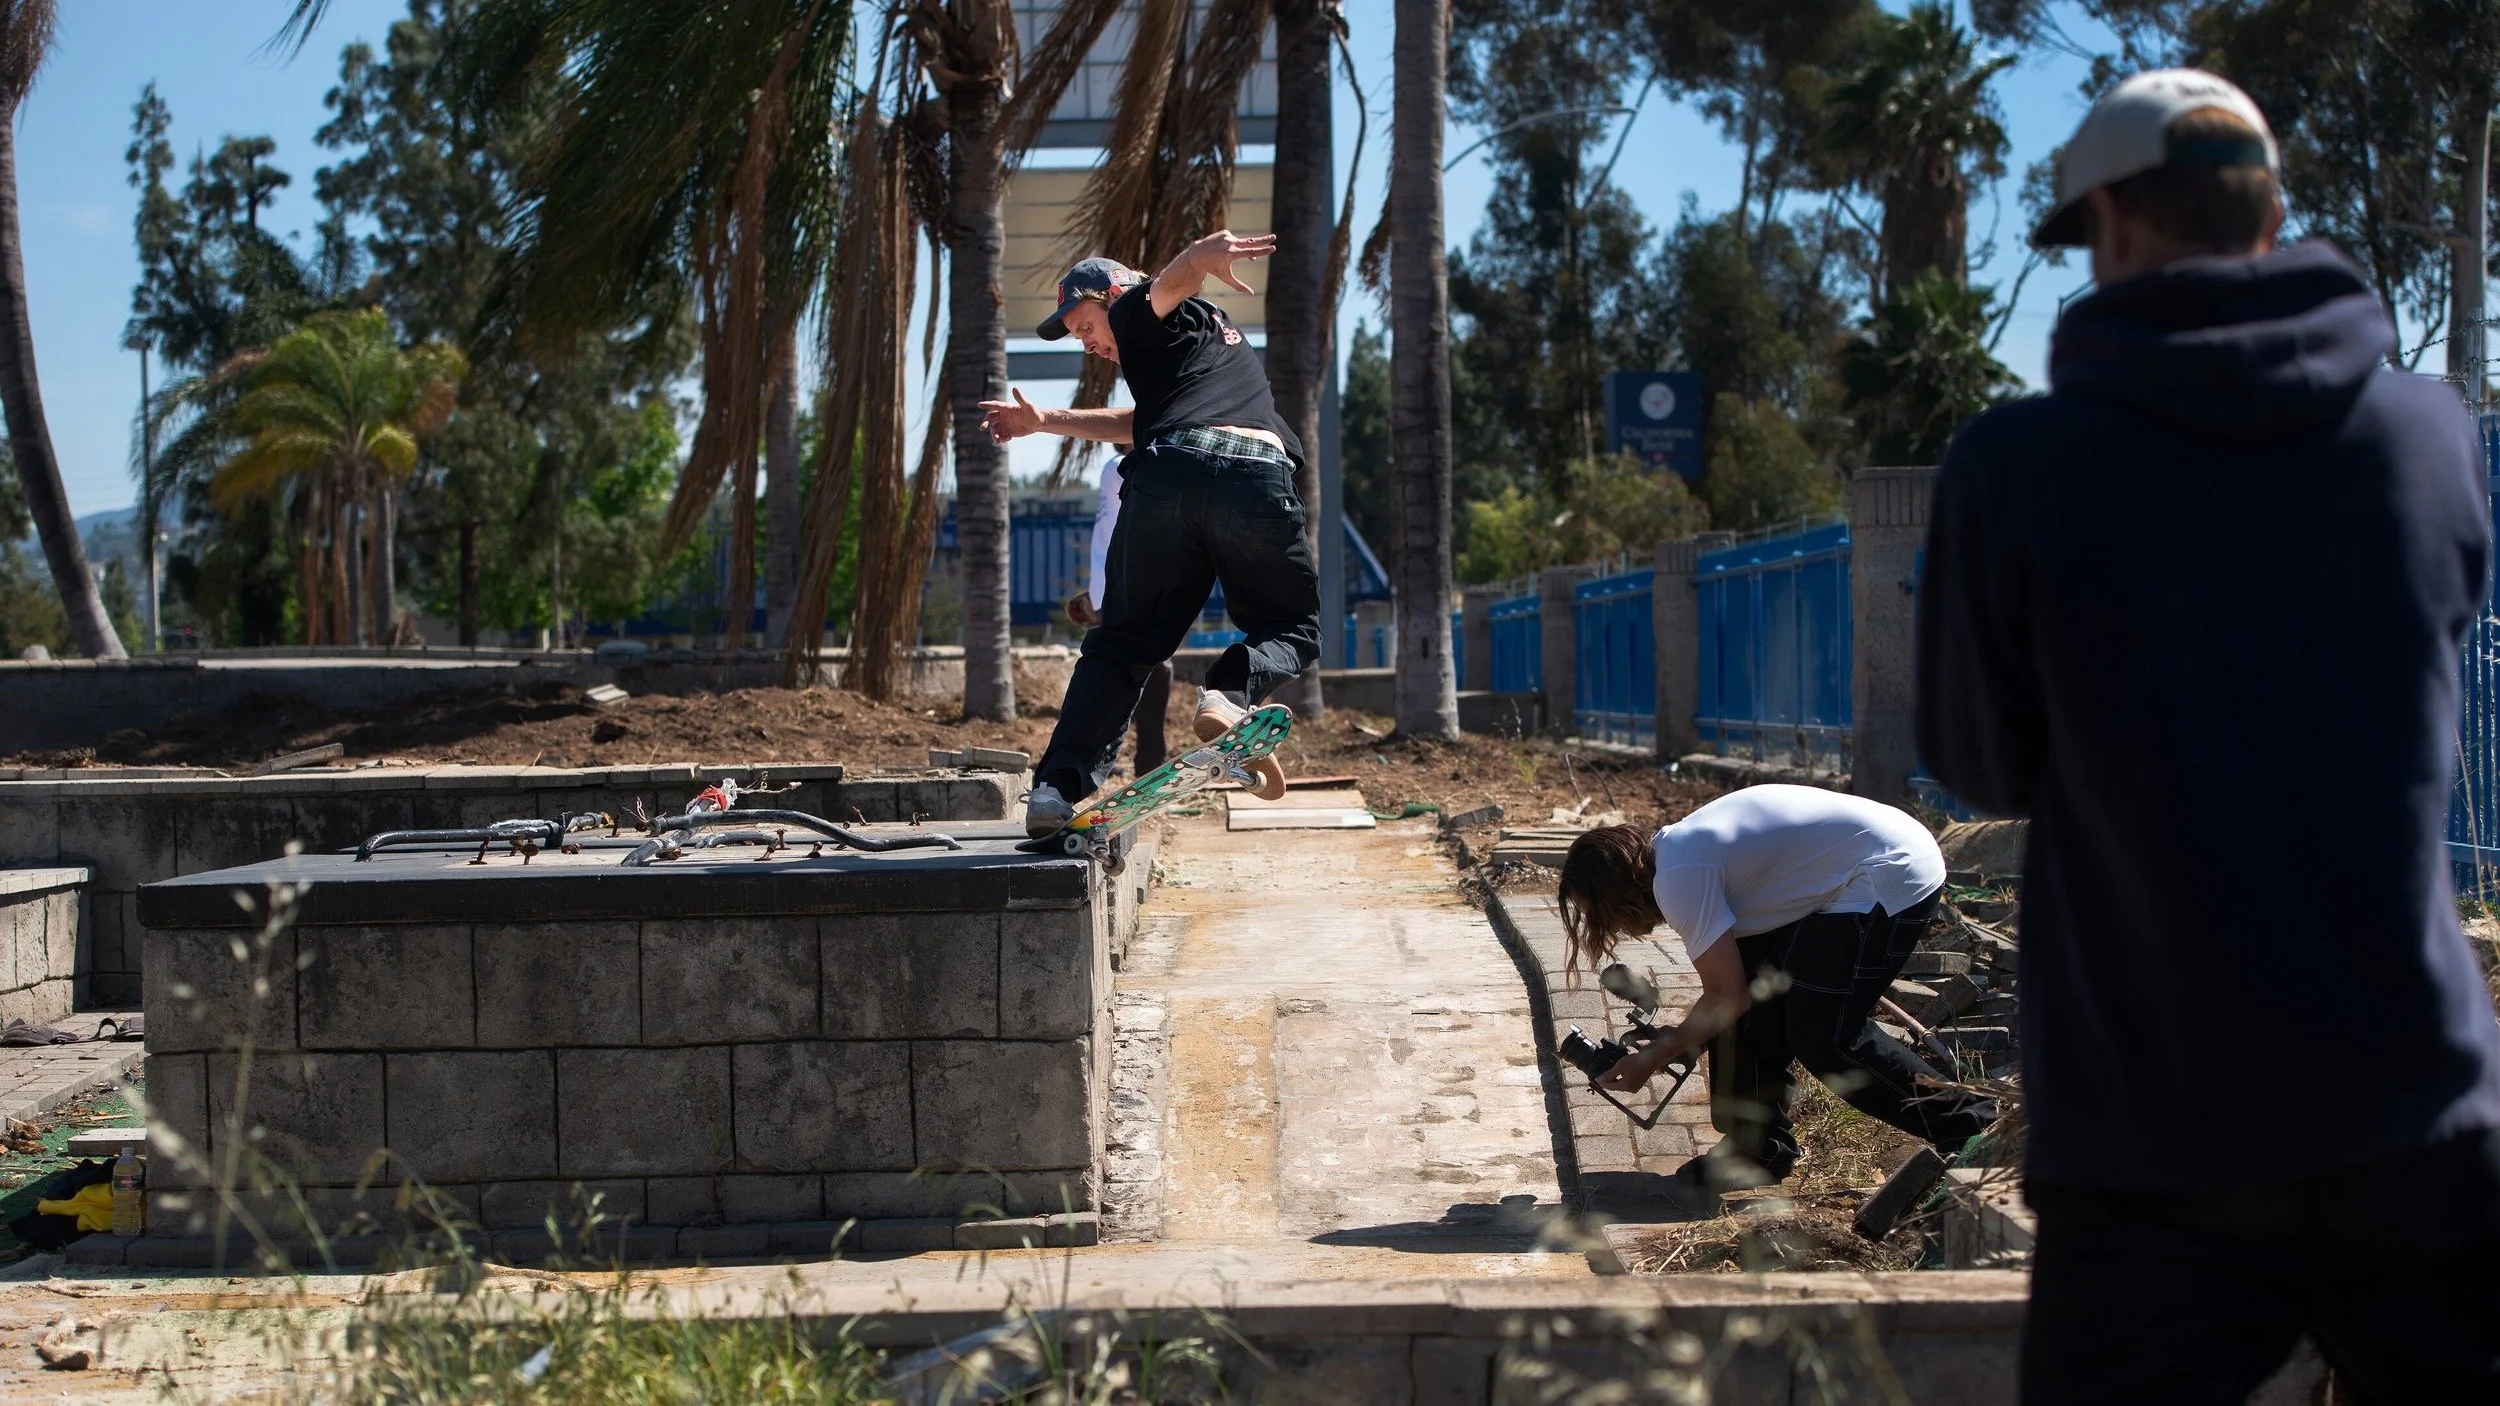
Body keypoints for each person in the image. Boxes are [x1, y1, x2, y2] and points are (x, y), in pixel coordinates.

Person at [1917, 69, 2500, 1404]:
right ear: (2271, 209)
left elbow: (1982, 762)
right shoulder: (2428, 435)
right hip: (2416, 1113)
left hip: (2152, 1132)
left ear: (2113, 221)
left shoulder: (2017, 467)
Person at [981, 231, 1320, 834]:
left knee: (1123, 643)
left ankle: (1055, 790)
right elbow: (1138, 422)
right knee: (1289, 627)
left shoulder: (1137, 307)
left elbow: (1167, 282)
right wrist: (1047, 421)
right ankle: (1227, 696)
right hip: (1253, 477)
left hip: (1167, 481)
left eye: (1087, 326)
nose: (1090, 345)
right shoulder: (1199, 348)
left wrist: (1196, 257)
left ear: (1110, 295)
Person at [1555, 784, 1998, 1191]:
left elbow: (1725, 995)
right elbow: (1735, 995)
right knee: (1750, 1007)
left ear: (1615, 891)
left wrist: (1653, 1058)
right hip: (1861, 865)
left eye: (1600, 913)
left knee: (1826, 1037)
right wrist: (1681, 1040)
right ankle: (1756, 1150)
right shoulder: (1680, 854)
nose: (1612, 926)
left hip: (1886, 873)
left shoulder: (1679, 877)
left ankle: (1974, 1126)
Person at [1065, 450, 1172, 781]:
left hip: (1113, 588)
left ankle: (1126, 761)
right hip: (1126, 587)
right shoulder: (1127, 465)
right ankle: (1144, 764)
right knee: (1147, 670)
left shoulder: (1116, 467)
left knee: (1132, 670)